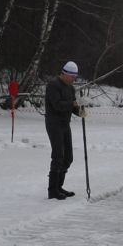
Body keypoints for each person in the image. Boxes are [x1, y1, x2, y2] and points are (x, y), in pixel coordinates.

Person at [44, 60, 82, 199]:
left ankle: (59, 186)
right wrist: (72, 104)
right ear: (65, 74)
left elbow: (71, 107)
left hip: (65, 124)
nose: (74, 79)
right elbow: (57, 105)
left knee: (68, 158)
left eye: (75, 77)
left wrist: (80, 110)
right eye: (72, 77)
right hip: (54, 124)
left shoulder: (70, 88)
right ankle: (52, 190)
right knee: (58, 156)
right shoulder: (53, 85)